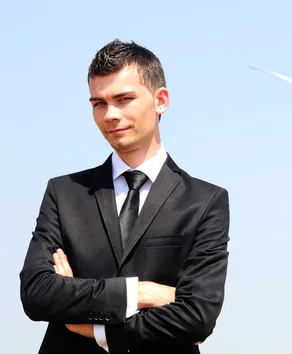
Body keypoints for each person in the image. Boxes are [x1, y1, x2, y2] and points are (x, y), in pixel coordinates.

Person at [19, 39, 230, 354]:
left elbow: (197, 316)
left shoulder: (204, 201)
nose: (109, 115)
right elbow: (37, 294)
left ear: (160, 100)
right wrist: (141, 292)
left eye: (123, 99)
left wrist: (94, 327)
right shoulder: (64, 193)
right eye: (98, 103)